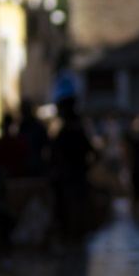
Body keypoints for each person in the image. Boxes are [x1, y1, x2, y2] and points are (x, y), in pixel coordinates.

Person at [49, 95, 97, 241]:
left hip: (72, 176)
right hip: (72, 176)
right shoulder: (72, 128)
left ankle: (73, 235)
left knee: (73, 208)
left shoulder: (72, 129)